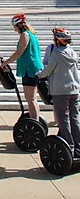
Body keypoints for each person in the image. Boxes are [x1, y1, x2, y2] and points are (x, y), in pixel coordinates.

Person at [37, 27, 80, 158]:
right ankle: (78, 146)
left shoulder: (56, 54)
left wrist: (38, 75)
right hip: (74, 89)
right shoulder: (72, 53)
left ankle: (69, 147)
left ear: (58, 40)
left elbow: (48, 70)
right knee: (75, 118)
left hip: (61, 91)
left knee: (63, 119)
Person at [1, 14, 43, 120]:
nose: (15, 30)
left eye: (15, 27)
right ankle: (36, 119)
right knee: (33, 98)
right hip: (34, 68)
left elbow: (19, 52)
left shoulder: (25, 35)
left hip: (29, 69)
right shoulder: (32, 34)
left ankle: (35, 121)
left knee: (30, 98)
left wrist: (6, 62)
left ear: (19, 25)